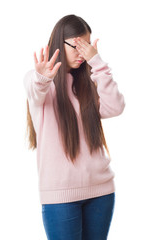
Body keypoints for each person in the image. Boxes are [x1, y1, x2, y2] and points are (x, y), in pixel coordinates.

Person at [24, 14, 125, 239]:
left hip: (101, 191)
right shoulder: (39, 81)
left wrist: (98, 63)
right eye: (77, 45)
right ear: (60, 43)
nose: (83, 53)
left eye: (86, 46)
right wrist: (42, 77)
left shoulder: (89, 82)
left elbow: (115, 107)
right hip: (60, 197)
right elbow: (35, 88)